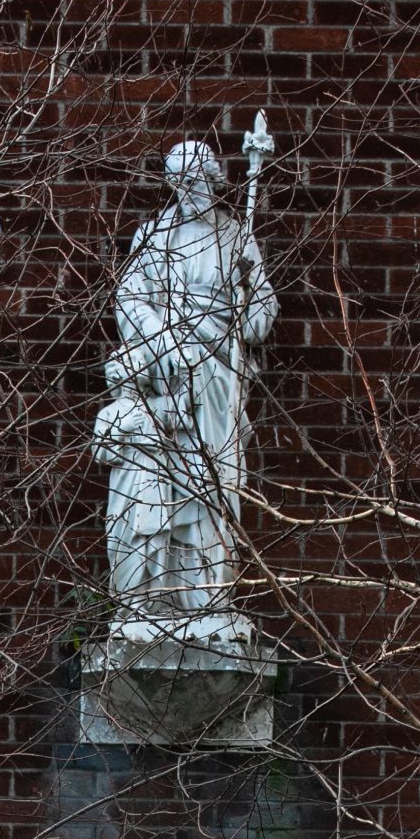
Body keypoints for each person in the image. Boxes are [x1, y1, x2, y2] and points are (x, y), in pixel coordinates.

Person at [96, 138, 277, 644]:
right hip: (165, 373)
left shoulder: (237, 239)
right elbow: (129, 299)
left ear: (216, 179)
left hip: (219, 380)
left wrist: (242, 311)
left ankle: (208, 593)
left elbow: (262, 314)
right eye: (181, 182)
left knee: (213, 480)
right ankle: (154, 592)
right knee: (158, 477)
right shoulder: (153, 237)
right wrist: (166, 342)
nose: (190, 190)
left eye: (198, 181)